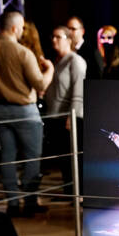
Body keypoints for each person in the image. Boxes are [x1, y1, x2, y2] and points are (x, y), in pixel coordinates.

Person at [0, 10, 54, 217]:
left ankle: (12, 202)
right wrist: (50, 70)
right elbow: (40, 84)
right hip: (25, 110)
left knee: (7, 157)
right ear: (13, 28)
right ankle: (30, 202)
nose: (22, 31)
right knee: (32, 157)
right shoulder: (22, 52)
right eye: (21, 28)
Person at [43, 25, 86, 196]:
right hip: (55, 116)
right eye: (52, 37)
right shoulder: (56, 62)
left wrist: (72, 115)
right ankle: (69, 191)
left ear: (68, 40)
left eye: (58, 37)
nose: (54, 40)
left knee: (73, 157)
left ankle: (78, 193)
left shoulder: (75, 61)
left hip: (69, 117)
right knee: (63, 158)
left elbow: (78, 90)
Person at [66, 15, 103, 79]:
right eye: (67, 29)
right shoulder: (64, 51)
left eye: (73, 29)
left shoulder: (92, 51)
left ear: (82, 31)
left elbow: (98, 76)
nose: (69, 32)